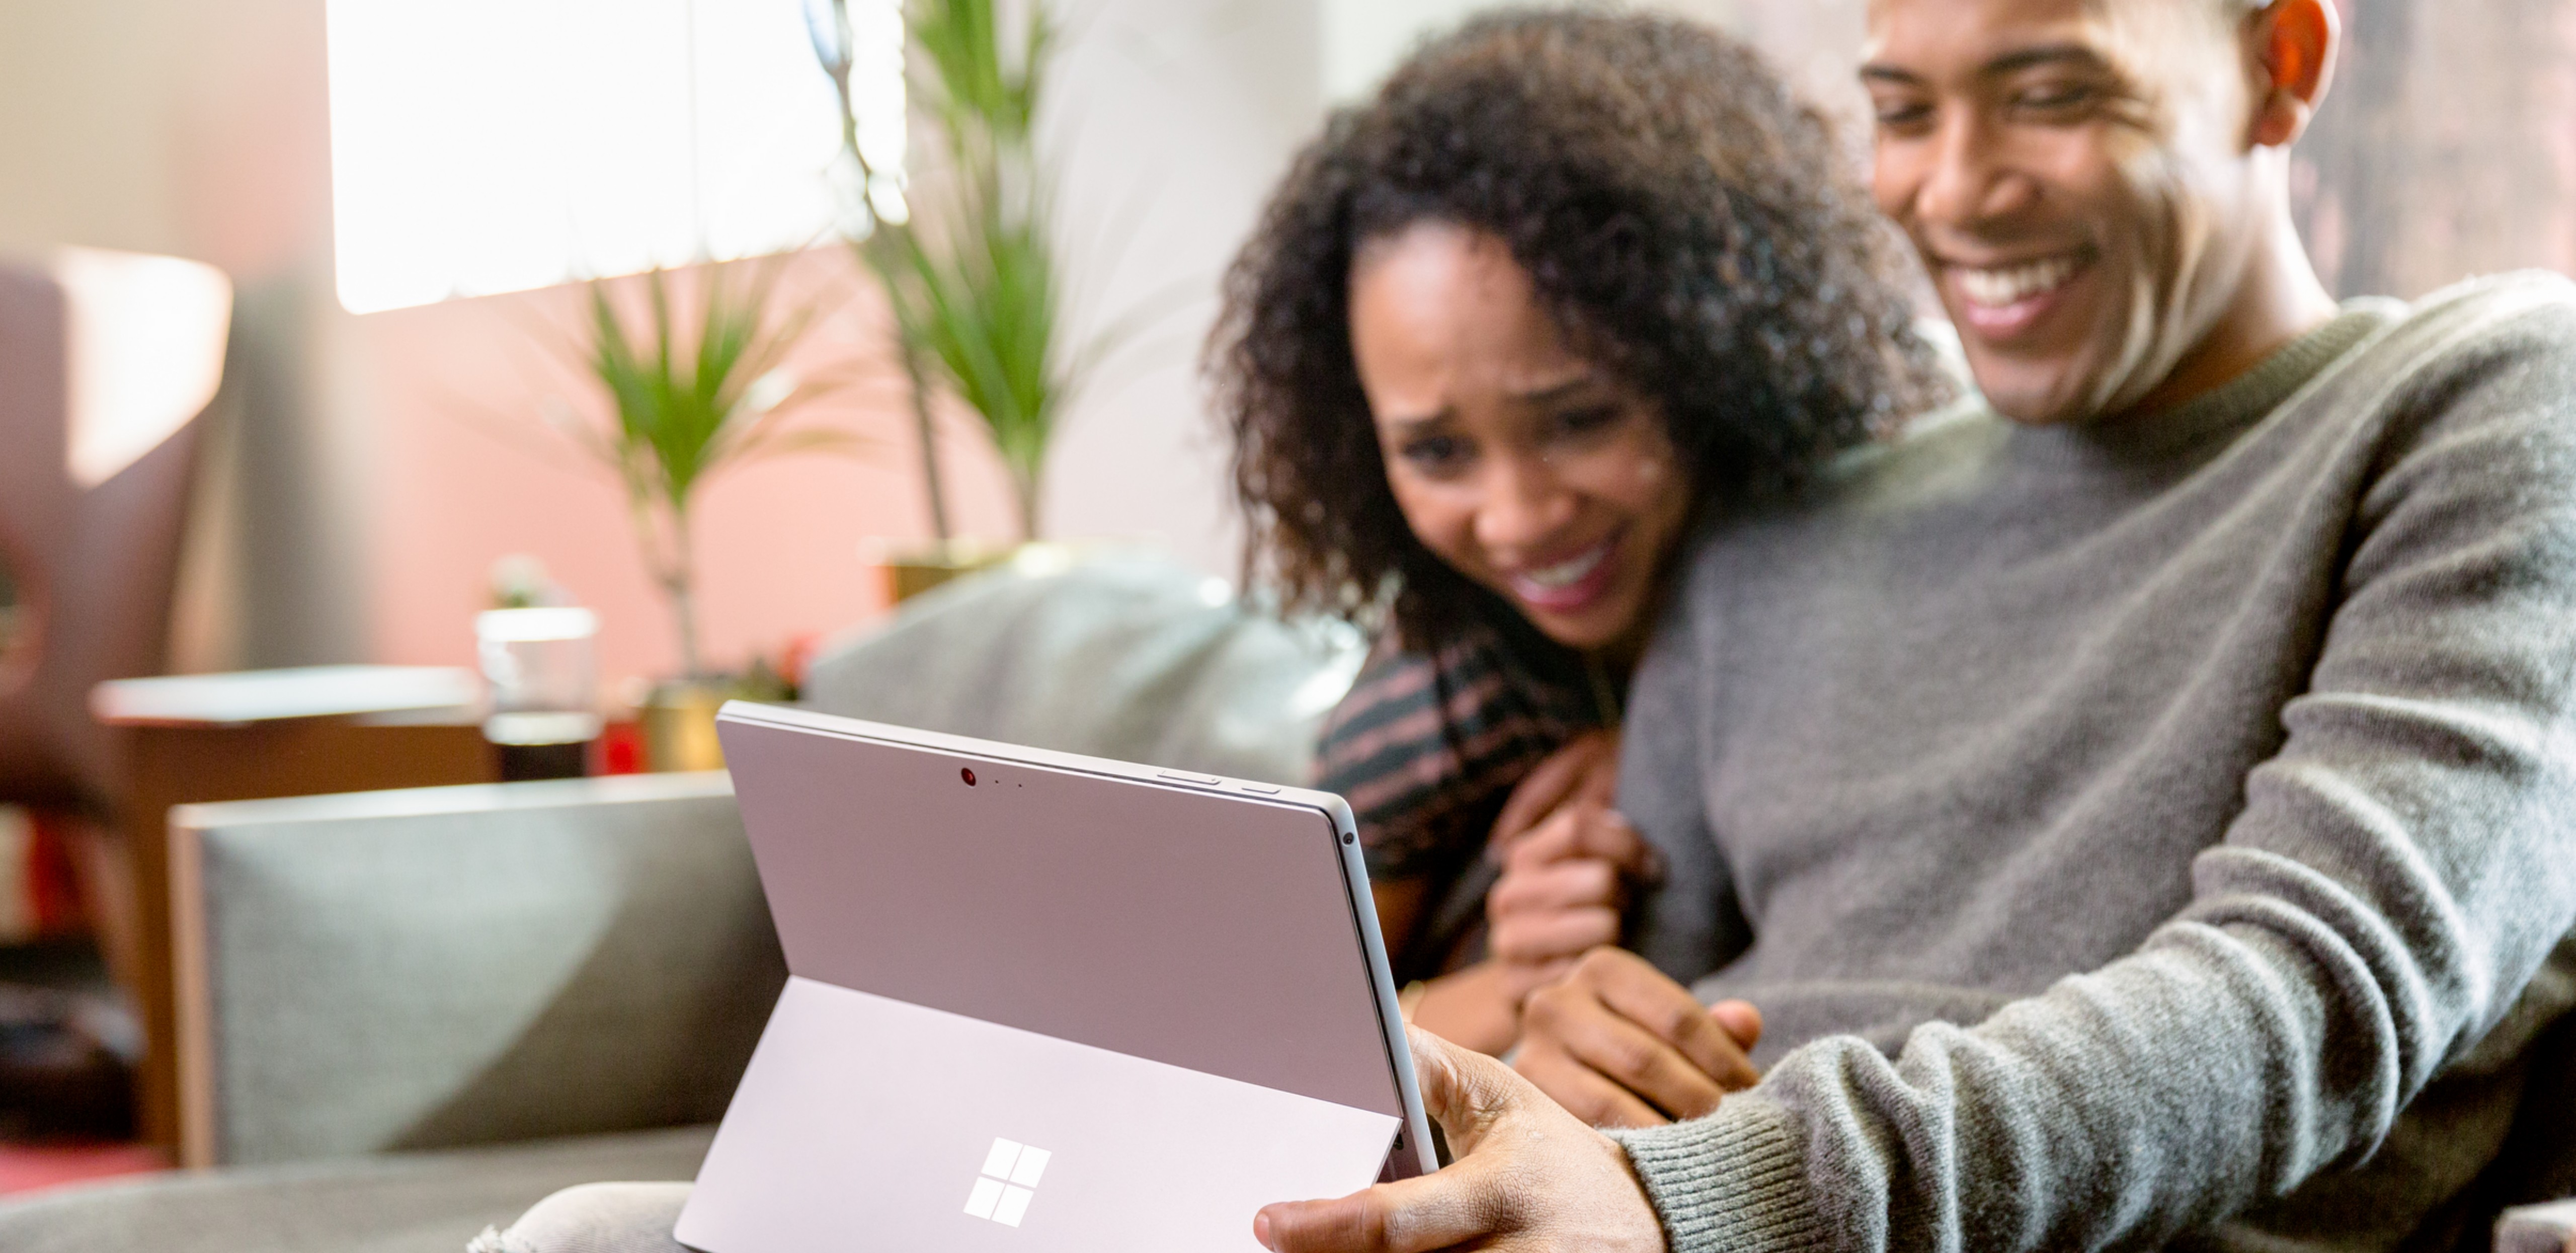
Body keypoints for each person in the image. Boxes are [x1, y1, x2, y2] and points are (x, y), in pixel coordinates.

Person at [1253, 1, 2576, 1250]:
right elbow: (1619, 1047)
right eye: (1903, 112)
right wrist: (1557, 1075)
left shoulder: (2490, 397)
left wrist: (1691, 1197)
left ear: (2280, 61)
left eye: (2051, 93)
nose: (1955, 190)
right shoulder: (1780, 524)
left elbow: (2309, 1001)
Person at [1212, 10, 1945, 1055]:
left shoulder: (1869, 551)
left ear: (1708, 364)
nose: (1515, 518)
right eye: (1436, 452)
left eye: (1578, 420)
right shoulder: (1437, 697)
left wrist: (1672, 745)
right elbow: (1271, 1041)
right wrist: (1515, 983)